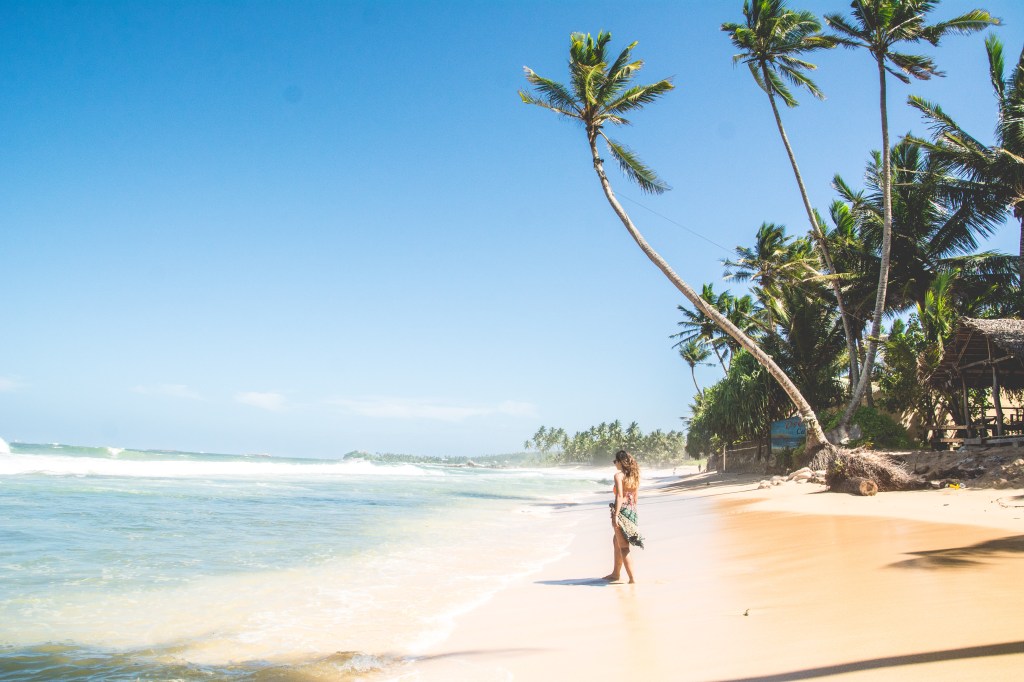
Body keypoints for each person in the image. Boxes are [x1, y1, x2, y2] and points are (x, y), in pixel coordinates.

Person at [603, 449, 644, 583]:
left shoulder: (618, 476)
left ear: (621, 462)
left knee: (624, 547)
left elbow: (620, 496)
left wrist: (616, 515)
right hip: (632, 511)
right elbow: (635, 498)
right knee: (616, 541)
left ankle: (632, 579)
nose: (615, 464)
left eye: (615, 461)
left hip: (622, 511)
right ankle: (615, 573)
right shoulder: (635, 476)